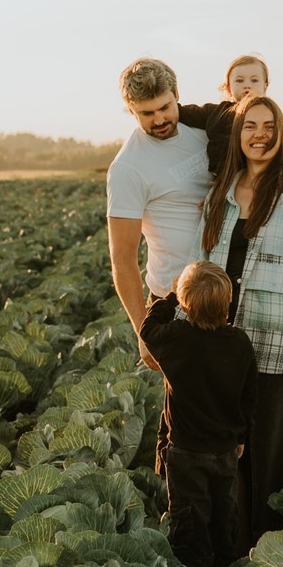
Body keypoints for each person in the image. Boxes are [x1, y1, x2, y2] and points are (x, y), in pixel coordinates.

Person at [200, 94, 283, 535]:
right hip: (223, 338)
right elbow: (204, 264)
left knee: (273, 445)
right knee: (226, 447)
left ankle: (273, 543)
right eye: (251, 126)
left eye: (269, 126)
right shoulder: (223, 189)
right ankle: (231, 545)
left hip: (277, 336)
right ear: (239, 134)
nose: (260, 135)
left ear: (281, 133)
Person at [140, 262, 257, 567]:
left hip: (185, 451)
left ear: (185, 304)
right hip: (226, 450)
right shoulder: (240, 343)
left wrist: (168, 296)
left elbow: (147, 330)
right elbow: (248, 397)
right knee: (223, 514)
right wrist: (241, 437)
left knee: (189, 518)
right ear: (229, 303)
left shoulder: (178, 338)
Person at [106, 57, 212, 377]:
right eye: (147, 113)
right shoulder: (128, 167)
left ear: (176, 93)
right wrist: (144, 331)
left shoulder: (206, 130)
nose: (160, 119)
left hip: (226, 289)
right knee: (188, 411)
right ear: (131, 111)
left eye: (165, 107)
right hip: (175, 303)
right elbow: (123, 258)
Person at [179, 53, 271, 175]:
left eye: (254, 80)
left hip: (255, 179)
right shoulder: (217, 112)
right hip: (221, 180)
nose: (247, 85)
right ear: (228, 87)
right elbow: (185, 113)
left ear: (265, 86)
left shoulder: (270, 115)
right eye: (239, 80)